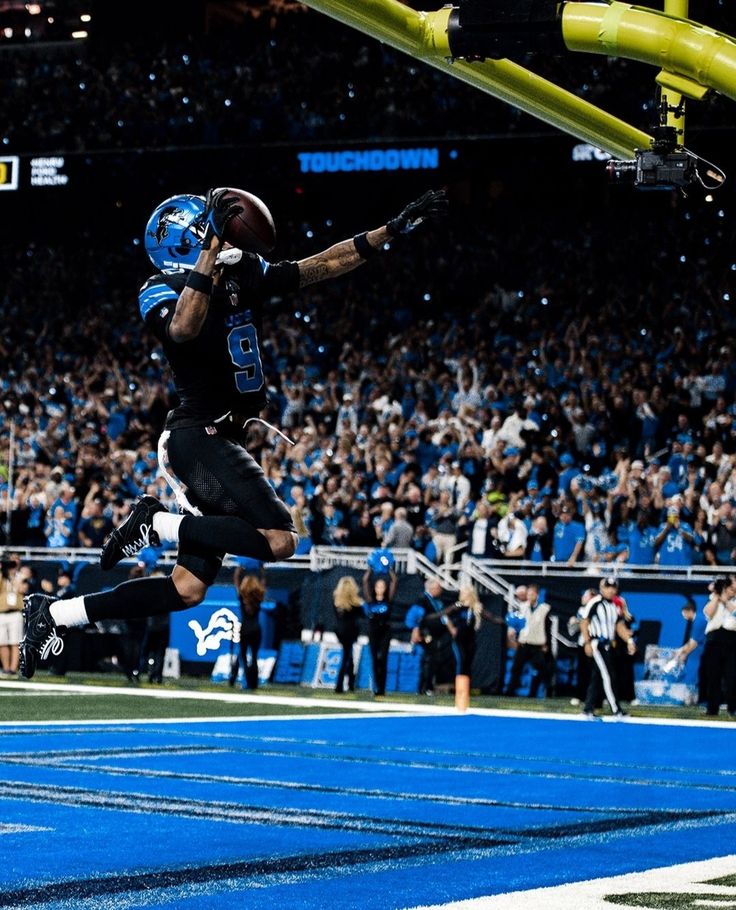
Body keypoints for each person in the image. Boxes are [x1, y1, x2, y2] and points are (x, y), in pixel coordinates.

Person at [19, 187, 448, 678]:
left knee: (186, 589)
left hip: (219, 440)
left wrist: (387, 232)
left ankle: (53, 613)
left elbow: (322, 265)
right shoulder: (158, 288)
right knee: (282, 539)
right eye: (205, 228)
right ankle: (156, 523)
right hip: (196, 437)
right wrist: (210, 256)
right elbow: (182, 328)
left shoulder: (244, 269)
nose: (214, 231)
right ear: (189, 239)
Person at [579, 576, 637, 718]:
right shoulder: (595, 602)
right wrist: (587, 642)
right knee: (609, 676)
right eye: (608, 587)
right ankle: (616, 709)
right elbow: (584, 621)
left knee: (598, 677)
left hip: (608, 646)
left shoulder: (614, 606)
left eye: (613, 587)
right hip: (597, 643)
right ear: (601, 588)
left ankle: (587, 708)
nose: (611, 590)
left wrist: (629, 641)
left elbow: (619, 626)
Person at [504, 583, 553, 698]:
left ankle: (543, 692)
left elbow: (547, 628)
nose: (530, 596)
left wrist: (547, 644)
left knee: (541, 669)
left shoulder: (544, 608)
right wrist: (515, 636)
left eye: (532, 594)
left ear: (537, 595)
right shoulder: (522, 607)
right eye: (528, 594)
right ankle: (510, 691)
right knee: (516, 668)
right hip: (524, 643)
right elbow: (518, 625)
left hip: (537, 643)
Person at [405, 578, 449, 695]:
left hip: (434, 635)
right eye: (438, 587)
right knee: (428, 660)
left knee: (432, 661)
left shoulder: (435, 600)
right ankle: (424, 687)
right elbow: (413, 617)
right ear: (432, 588)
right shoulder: (423, 600)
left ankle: (427, 686)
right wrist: (416, 630)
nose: (440, 590)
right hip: (426, 635)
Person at [701, 576, 736, 716]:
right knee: (713, 675)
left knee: (732, 675)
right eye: (731, 587)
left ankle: (732, 708)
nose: (733, 590)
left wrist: (725, 600)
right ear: (726, 588)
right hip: (714, 639)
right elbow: (707, 613)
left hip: (733, 639)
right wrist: (717, 596)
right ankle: (712, 708)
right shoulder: (714, 598)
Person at [363, 576, 395, 696]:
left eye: (382, 586)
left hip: (385, 632)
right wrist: (372, 568)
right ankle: (376, 686)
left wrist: (388, 568)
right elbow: (365, 581)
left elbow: (394, 581)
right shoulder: (371, 600)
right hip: (373, 632)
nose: (380, 589)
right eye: (378, 586)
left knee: (383, 659)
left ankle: (382, 688)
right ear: (375, 588)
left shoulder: (388, 600)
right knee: (375, 659)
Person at [332, 575, 362, 693]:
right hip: (350, 631)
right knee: (346, 657)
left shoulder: (337, 601)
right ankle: (339, 685)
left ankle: (351, 684)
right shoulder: (355, 604)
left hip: (339, 631)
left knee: (349, 656)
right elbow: (362, 614)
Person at [234, 574, 265, 690]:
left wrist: (238, 571)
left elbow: (236, 582)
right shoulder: (259, 596)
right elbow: (263, 582)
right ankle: (254, 684)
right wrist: (262, 571)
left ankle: (246, 683)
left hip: (245, 629)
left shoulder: (242, 596)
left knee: (244, 657)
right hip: (256, 629)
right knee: (254, 657)